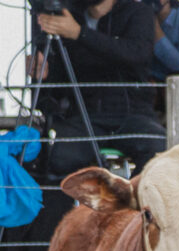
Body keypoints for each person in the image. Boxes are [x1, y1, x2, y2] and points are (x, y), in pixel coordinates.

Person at [30, 0, 165, 176]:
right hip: (86, 115)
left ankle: (132, 201)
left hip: (134, 114)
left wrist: (80, 33)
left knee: (158, 152)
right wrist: (43, 71)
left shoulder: (138, 11)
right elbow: (57, 85)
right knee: (61, 158)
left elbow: (136, 53)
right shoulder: (69, 16)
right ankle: (76, 203)